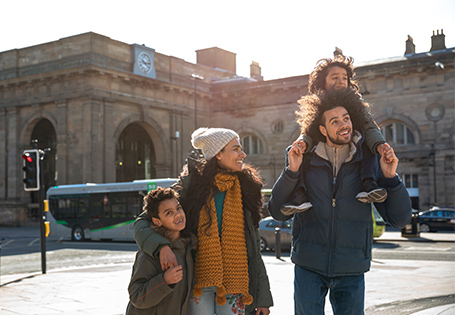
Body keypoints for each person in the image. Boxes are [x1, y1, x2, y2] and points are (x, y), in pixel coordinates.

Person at [268, 89, 412, 314]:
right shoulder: (304, 160)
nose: (344, 124)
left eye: (346, 118)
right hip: (308, 267)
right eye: (335, 121)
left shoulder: (369, 161)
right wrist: (292, 171)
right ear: (323, 130)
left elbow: (400, 219)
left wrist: (391, 177)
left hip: (352, 269)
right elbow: (277, 212)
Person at [134, 127, 273, 315]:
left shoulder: (248, 190)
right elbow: (143, 222)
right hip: (198, 283)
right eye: (236, 149)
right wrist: (162, 247)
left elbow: (255, 250)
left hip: (236, 283)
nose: (243, 154)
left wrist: (263, 299)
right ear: (218, 154)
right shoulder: (189, 187)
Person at [280, 56, 387, 216]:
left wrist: (379, 144)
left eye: (345, 78)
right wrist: (302, 143)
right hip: (323, 145)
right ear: (323, 82)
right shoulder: (318, 103)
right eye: (335, 77)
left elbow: (370, 126)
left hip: (354, 144)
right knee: (295, 152)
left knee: (367, 144)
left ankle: (369, 182)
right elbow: (308, 131)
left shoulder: (356, 101)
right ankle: (300, 193)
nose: (341, 81)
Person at [126, 187, 195, 315]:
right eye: (169, 213)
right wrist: (164, 281)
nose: (178, 214)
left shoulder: (188, 247)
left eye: (178, 208)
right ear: (157, 221)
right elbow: (136, 296)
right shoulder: (151, 252)